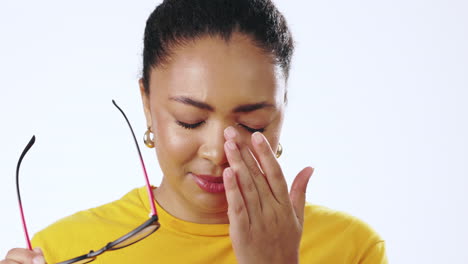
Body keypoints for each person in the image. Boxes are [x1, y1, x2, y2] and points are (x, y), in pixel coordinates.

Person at [1, 0, 388, 263]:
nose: (219, 153)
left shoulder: (350, 248)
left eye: (252, 124)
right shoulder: (61, 250)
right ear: (146, 103)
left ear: (282, 112)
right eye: (189, 120)